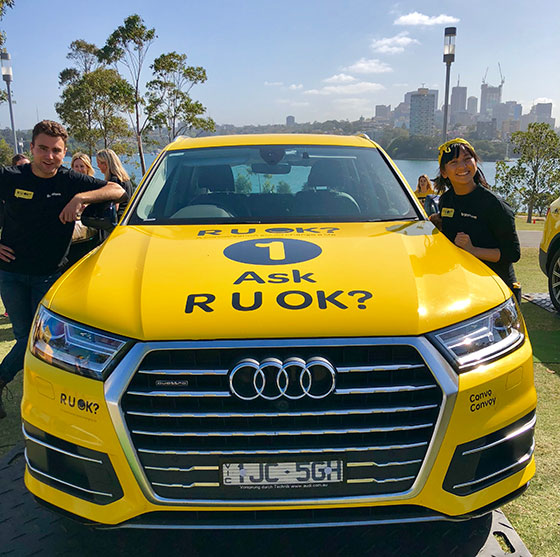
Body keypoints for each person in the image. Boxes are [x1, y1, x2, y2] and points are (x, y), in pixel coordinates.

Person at [0, 120, 126, 418]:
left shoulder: (70, 180)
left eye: (56, 150)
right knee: (24, 336)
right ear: (31, 148)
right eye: (43, 148)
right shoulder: (10, 176)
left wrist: (81, 198)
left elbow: (118, 190)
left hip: (49, 275)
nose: (49, 156)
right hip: (10, 273)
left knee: (37, 337)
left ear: (64, 152)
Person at [430, 137, 521, 302]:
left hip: (497, 289)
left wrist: (473, 250)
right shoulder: (446, 200)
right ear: (444, 172)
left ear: (475, 162)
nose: (462, 166)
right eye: (454, 162)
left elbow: (512, 254)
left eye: (467, 159)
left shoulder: (495, 205)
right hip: (463, 286)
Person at [96, 149, 133, 220]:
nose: (98, 166)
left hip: (118, 221)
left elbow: (114, 206)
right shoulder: (125, 180)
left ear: (105, 164)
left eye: (99, 163)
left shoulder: (113, 182)